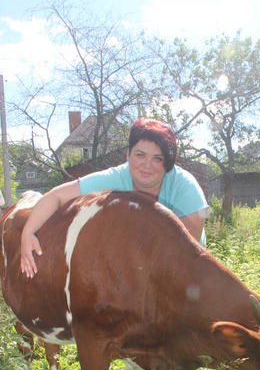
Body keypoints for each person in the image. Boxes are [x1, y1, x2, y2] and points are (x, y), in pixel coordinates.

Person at [21, 118, 209, 278]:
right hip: (137, 267)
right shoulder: (114, 178)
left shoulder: (185, 188)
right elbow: (56, 196)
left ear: (167, 163)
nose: (147, 165)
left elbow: (186, 255)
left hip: (187, 273)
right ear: (128, 154)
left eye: (157, 159)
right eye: (140, 155)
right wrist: (27, 233)